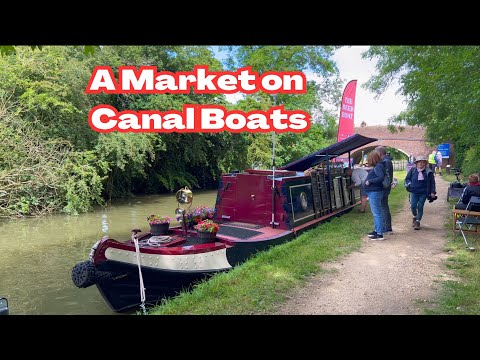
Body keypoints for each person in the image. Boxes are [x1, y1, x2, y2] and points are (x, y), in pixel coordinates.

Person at [404, 155, 436, 230]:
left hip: (424, 192)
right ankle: (415, 216)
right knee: (413, 206)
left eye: (422, 162)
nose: (420, 164)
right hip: (414, 191)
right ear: (416, 163)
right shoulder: (413, 170)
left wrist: (432, 192)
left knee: (420, 206)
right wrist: (409, 184)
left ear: (425, 163)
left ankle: (417, 222)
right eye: (419, 162)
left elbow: (432, 183)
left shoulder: (429, 172)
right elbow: (407, 179)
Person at [364, 151, 386, 240]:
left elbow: (380, 177)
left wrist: (370, 181)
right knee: (377, 212)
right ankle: (377, 230)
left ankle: (379, 233)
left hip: (375, 192)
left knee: (376, 213)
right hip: (375, 192)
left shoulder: (378, 167)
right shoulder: (379, 166)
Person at [375, 146, 393, 234]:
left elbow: (383, 175)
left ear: (379, 153)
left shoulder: (386, 162)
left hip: (384, 188)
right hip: (385, 187)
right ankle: (386, 226)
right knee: (383, 207)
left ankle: (387, 227)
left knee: (383, 207)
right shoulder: (387, 161)